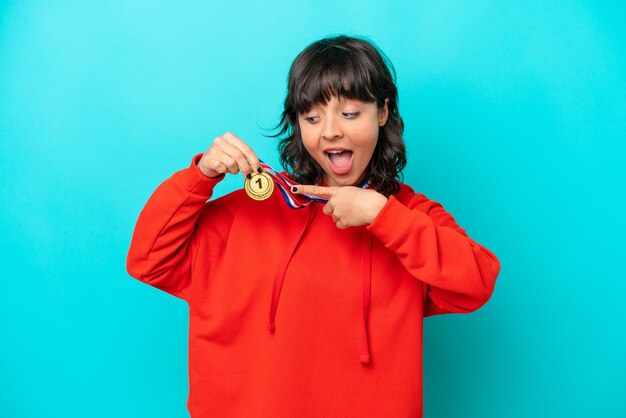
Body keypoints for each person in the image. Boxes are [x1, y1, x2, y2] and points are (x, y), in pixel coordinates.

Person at [126, 34, 501, 418]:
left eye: (350, 114)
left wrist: (383, 216)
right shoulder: (249, 213)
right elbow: (148, 259)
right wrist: (201, 175)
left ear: (383, 112)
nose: (330, 131)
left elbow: (476, 281)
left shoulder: (408, 216)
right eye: (312, 117)